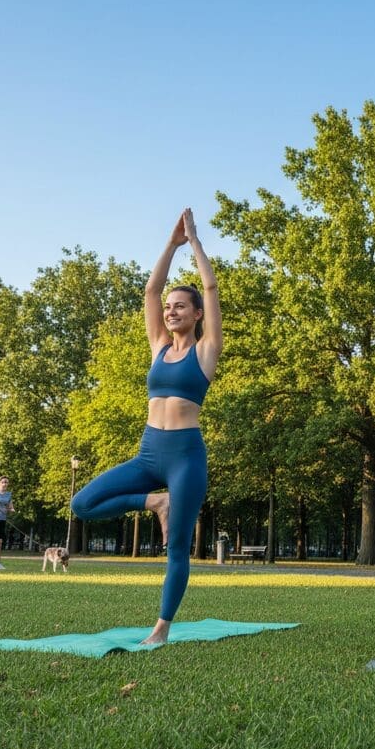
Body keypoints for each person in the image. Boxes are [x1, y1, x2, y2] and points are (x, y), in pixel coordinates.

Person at [71, 208, 222, 646]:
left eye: (181, 307)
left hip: (186, 457)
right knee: (83, 504)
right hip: (149, 452)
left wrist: (193, 241)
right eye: (170, 307)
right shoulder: (158, 346)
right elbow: (151, 290)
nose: (171, 311)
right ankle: (154, 501)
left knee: (177, 547)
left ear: (196, 315)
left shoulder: (207, 350)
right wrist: (170, 245)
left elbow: (210, 286)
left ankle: (162, 627)